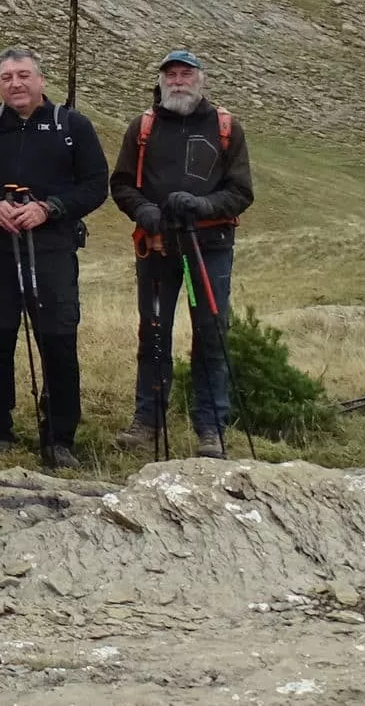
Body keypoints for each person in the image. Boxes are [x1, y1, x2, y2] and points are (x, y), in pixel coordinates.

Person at [0, 47, 107, 471]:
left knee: (57, 339)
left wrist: (49, 207)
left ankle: (60, 436)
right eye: (6, 78)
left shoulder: (71, 126)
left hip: (53, 249)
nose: (15, 84)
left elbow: (96, 185)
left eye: (23, 75)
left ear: (41, 80)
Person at [110, 52, 255, 458]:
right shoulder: (143, 127)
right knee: (153, 331)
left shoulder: (226, 128)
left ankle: (211, 428)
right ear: (161, 82)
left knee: (210, 333)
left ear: (202, 80)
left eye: (185, 74)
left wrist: (201, 206)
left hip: (209, 248)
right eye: (170, 74)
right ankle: (147, 421)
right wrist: (144, 211)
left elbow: (241, 192)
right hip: (157, 248)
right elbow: (121, 184)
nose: (177, 81)